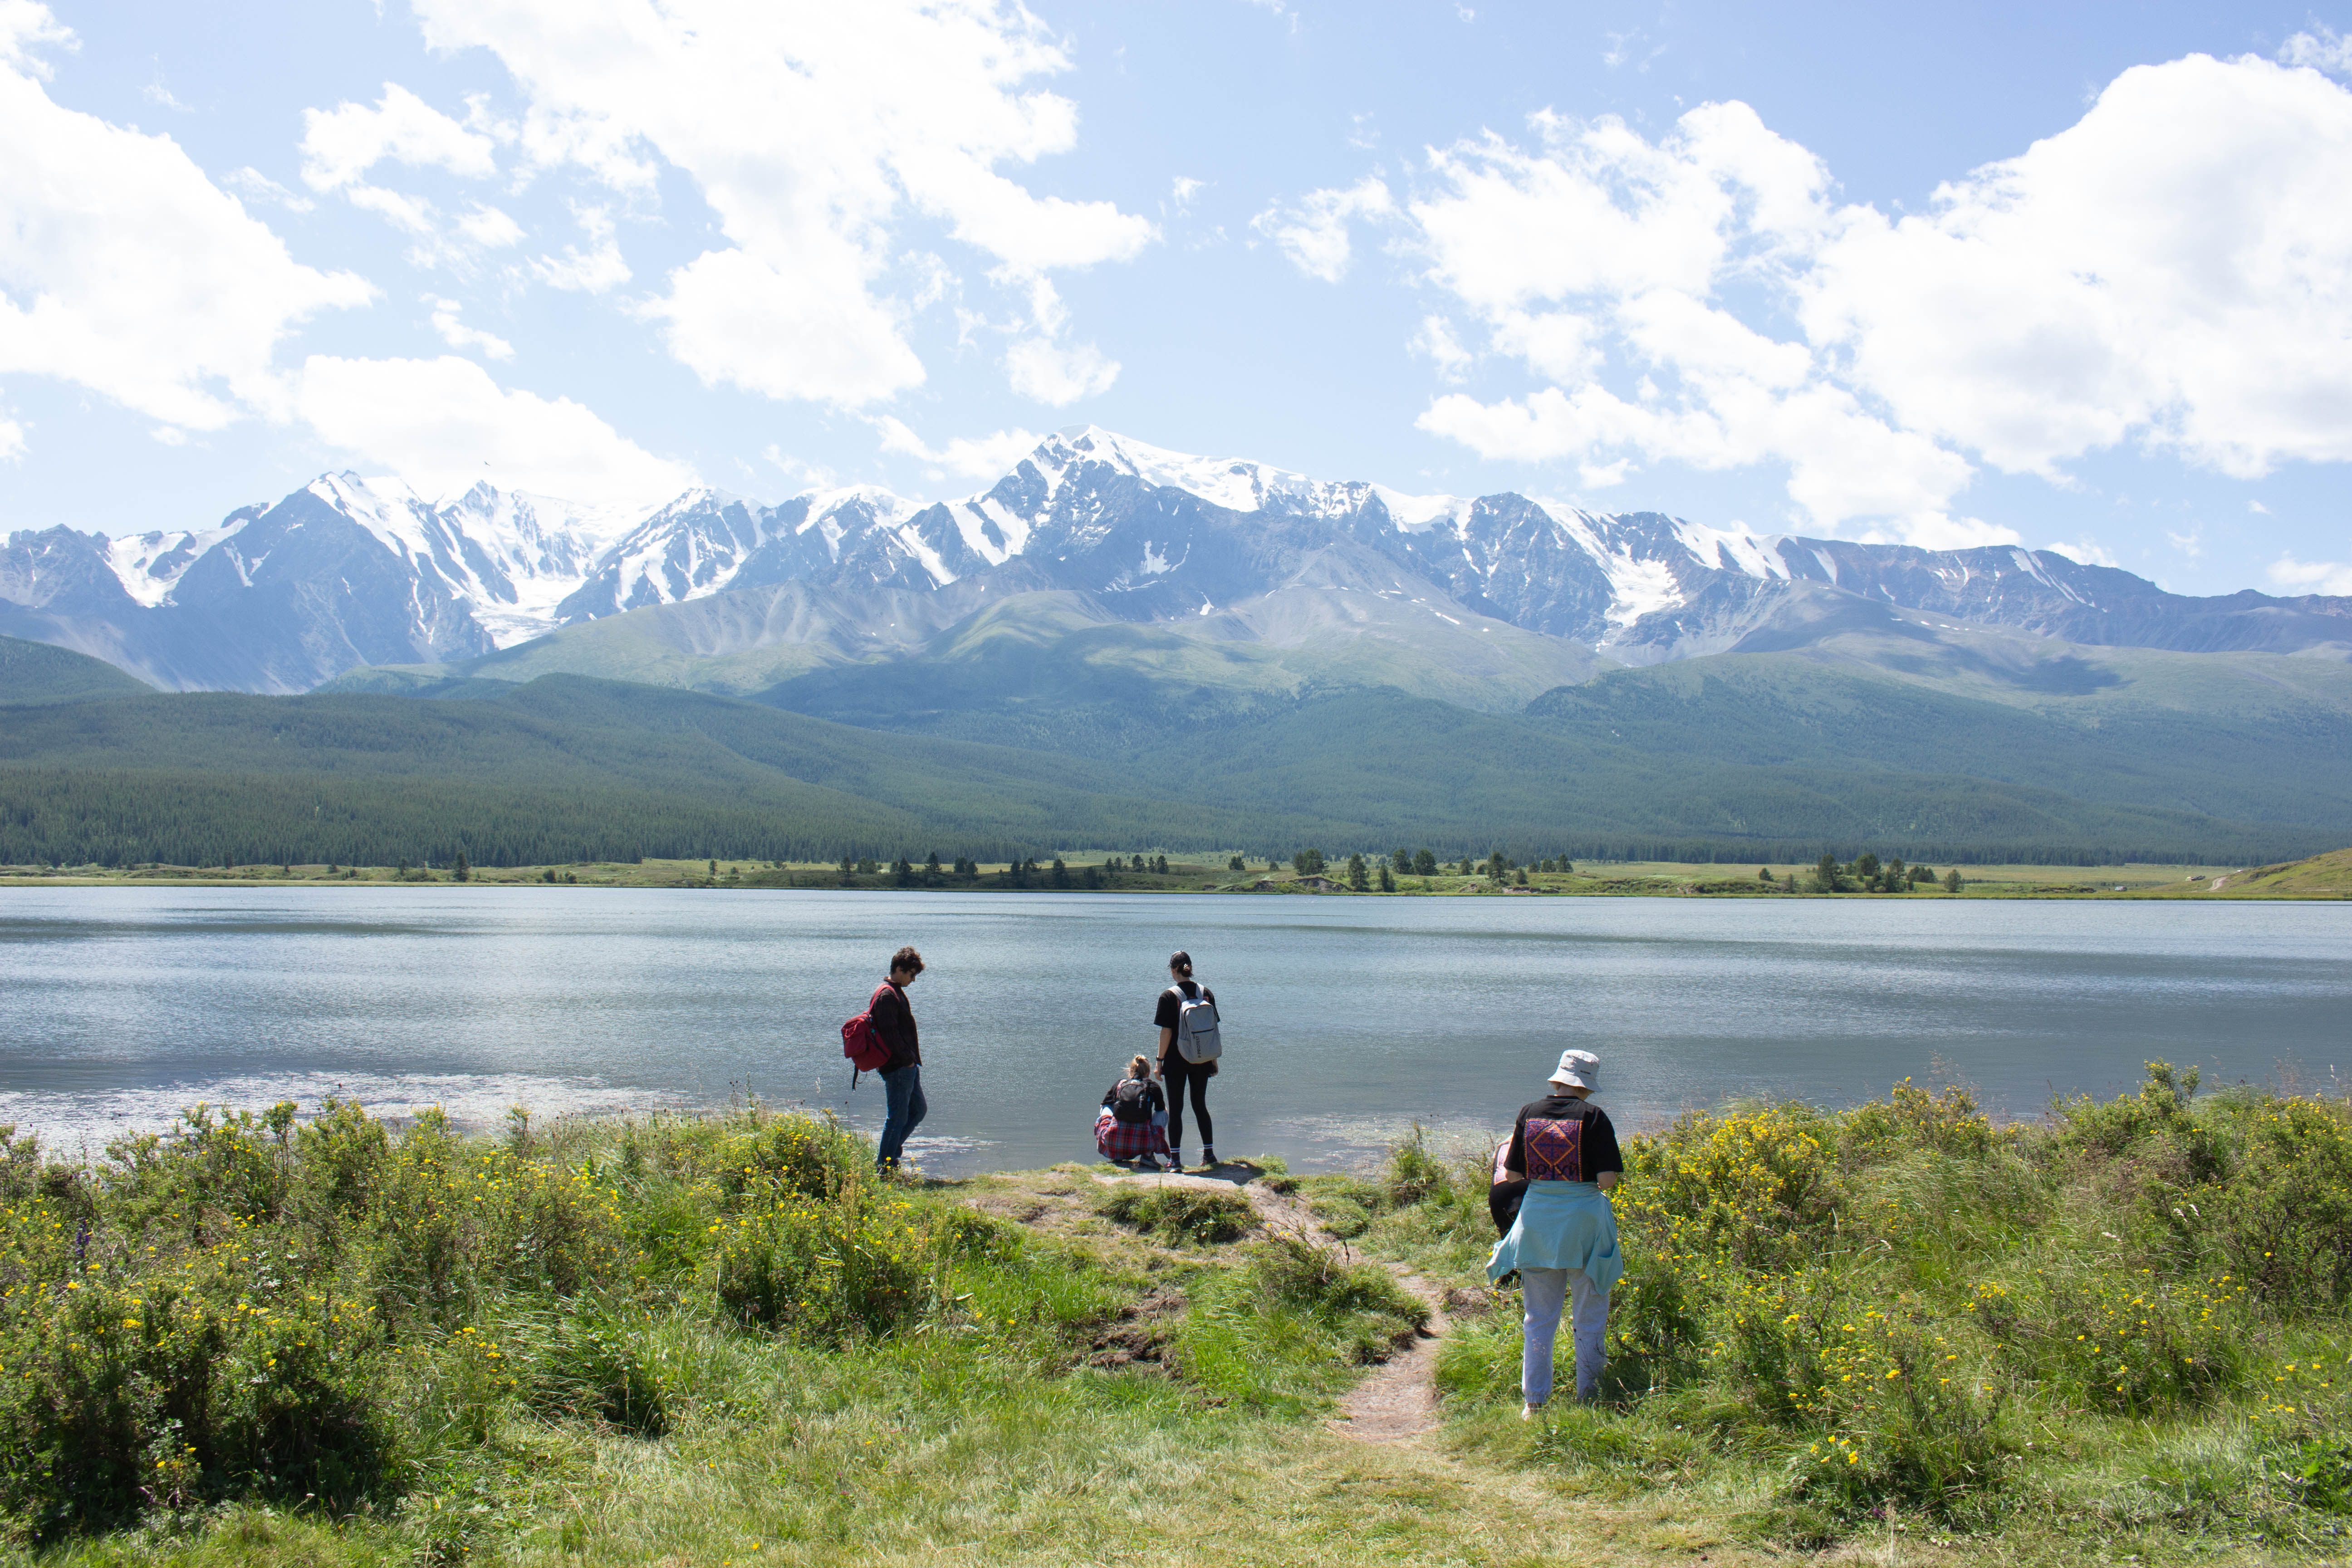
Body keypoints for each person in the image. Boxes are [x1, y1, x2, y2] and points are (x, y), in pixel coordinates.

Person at [1486, 1049, 1624, 1415]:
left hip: (1538, 1225)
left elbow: (1514, 1176)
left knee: (1539, 1319)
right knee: (1590, 1317)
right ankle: (1589, 1396)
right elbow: (1607, 1181)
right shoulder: (1594, 1117)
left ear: (1558, 1079)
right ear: (1586, 1086)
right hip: (1584, 1227)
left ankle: (1534, 1403)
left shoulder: (1529, 1113)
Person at [1153, 950, 1218, 1171]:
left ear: (1173, 970)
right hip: (1202, 1058)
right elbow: (1213, 1029)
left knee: (1177, 1108)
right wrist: (1214, 1059)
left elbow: (1166, 1033)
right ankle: (1209, 1154)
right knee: (1200, 1105)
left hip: (1175, 1060)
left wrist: (1159, 1062)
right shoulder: (1205, 993)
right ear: (1190, 967)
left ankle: (1176, 1161)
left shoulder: (1169, 996)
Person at [871, 946, 926, 1174]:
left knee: (918, 1110)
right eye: (912, 975)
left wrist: (911, 1062)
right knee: (897, 1117)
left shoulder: (892, 991)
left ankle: (890, 1153)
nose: (913, 980)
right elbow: (890, 1035)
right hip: (898, 1068)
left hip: (906, 1066)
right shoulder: (887, 995)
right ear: (900, 969)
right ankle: (885, 1167)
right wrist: (907, 1061)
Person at [1096, 1054, 1171, 1168]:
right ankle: (1148, 1156)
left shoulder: (1120, 1084)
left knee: (1106, 1106)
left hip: (1114, 1143)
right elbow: (1160, 1111)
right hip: (1143, 1144)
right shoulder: (1153, 1086)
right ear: (1148, 1072)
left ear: (1131, 1071)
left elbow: (1106, 1104)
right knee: (1163, 1112)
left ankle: (1117, 1155)